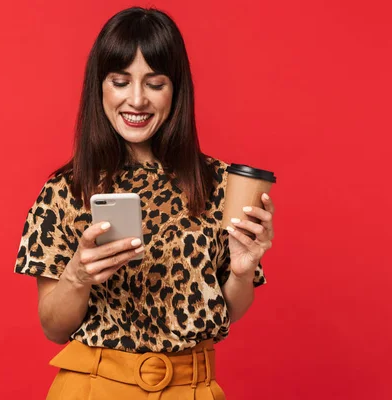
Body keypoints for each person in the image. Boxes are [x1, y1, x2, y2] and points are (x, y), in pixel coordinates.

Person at [14, 6, 275, 400]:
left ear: (176, 89)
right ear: (99, 86)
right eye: (120, 81)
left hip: (192, 388)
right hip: (93, 388)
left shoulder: (219, 183)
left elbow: (228, 312)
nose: (136, 100)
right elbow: (53, 329)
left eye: (155, 83)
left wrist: (242, 270)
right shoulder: (66, 190)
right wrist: (78, 276)